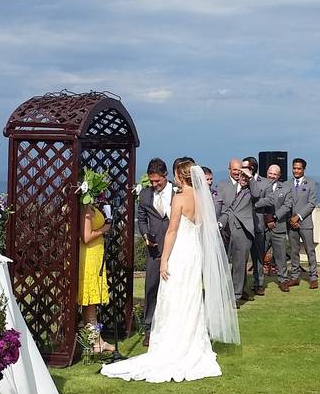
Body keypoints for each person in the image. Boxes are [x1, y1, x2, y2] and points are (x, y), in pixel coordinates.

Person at [101, 162, 240, 382]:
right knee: (191, 297)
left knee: (174, 297)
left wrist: (164, 259)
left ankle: (173, 345)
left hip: (180, 252)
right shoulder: (202, 199)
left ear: (179, 176)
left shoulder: (180, 197)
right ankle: (192, 342)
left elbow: (172, 231)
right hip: (194, 253)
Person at [137, 158, 172, 344]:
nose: (154, 184)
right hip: (154, 249)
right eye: (152, 181)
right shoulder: (144, 195)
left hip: (175, 248)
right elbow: (141, 219)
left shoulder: (177, 193)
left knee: (173, 289)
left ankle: (171, 326)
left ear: (166, 176)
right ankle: (149, 327)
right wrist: (145, 235)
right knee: (151, 288)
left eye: (158, 181)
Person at [78, 173, 114, 353]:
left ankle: (95, 340)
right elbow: (86, 237)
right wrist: (104, 228)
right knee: (90, 300)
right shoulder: (86, 209)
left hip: (94, 256)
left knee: (89, 302)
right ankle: (96, 342)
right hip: (89, 257)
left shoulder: (90, 206)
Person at [217, 159, 255, 305]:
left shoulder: (249, 187)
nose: (237, 173)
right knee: (223, 263)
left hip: (242, 231)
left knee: (239, 264)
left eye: (240, 170)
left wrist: (250, 179)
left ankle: (236, 296)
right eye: (234, 170)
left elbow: (257, 194)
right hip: (225, 229)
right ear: (229, 170)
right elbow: (221, 207)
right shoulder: (221, 186)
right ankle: (223, 293)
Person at [254, 163, 294, 292]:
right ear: (267, 173)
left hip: (279, 227)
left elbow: (287, 206)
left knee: (281, 256)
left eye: (275, 174)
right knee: (259, 256)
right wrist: (267, 218)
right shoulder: (258, 186)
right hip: (262, 227)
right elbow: (256, 202)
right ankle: (258, 283)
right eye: (270, 173)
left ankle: (283, 280)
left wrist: (274, 217)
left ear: (279, 175)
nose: (272, 176)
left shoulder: (286, 188)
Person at [287, 158, 319, 289]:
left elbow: (312, 203)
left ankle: (313, 277)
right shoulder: (287, 184)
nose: (296, 170)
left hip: (305, 223)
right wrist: (291, 218)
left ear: (303, 169)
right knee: (294, 251)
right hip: (291, 223)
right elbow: (284, 203)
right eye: (294, 168)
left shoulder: (311, 183)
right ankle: (294, 277)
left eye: (299, 168)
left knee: (310, 250)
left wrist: (298, 217)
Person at [242, 156, 269, 296]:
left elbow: (268, 200)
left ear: (251, 168)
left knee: (258, 255)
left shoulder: (264, 183)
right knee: (242, 257)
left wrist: (252, 205)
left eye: (244, 167)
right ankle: (242, 285)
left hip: (257, 222)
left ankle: (259, 283)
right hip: (243, 225)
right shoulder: (241, 180)